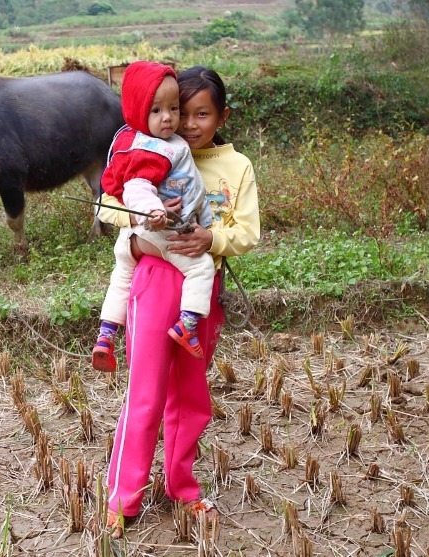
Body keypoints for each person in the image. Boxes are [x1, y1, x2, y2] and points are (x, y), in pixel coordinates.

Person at [97, 65, 260, 538]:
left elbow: (247, 232)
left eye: (200, 114)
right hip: (152, 278)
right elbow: (108, 204)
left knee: (190, 392)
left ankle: (182, 487)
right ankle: (124, 495)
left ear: (221, 116)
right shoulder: (149, 149)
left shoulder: (236, 167)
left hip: (200, 288)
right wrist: (142, 220)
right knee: (145, 390)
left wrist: (211, 236)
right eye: (177, 112)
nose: (186, 123)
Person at [92, 61, 215, 374]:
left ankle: (106, 334)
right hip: (158, 232)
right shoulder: (154, 150)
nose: (169, 119)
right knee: (201, 268)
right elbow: (136, 187)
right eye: (156, 110)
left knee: (121, 279)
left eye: (173, 108)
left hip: (130, 238)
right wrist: (153, 213)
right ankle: (187, 325)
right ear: (136, 109)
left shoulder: (131, 140)